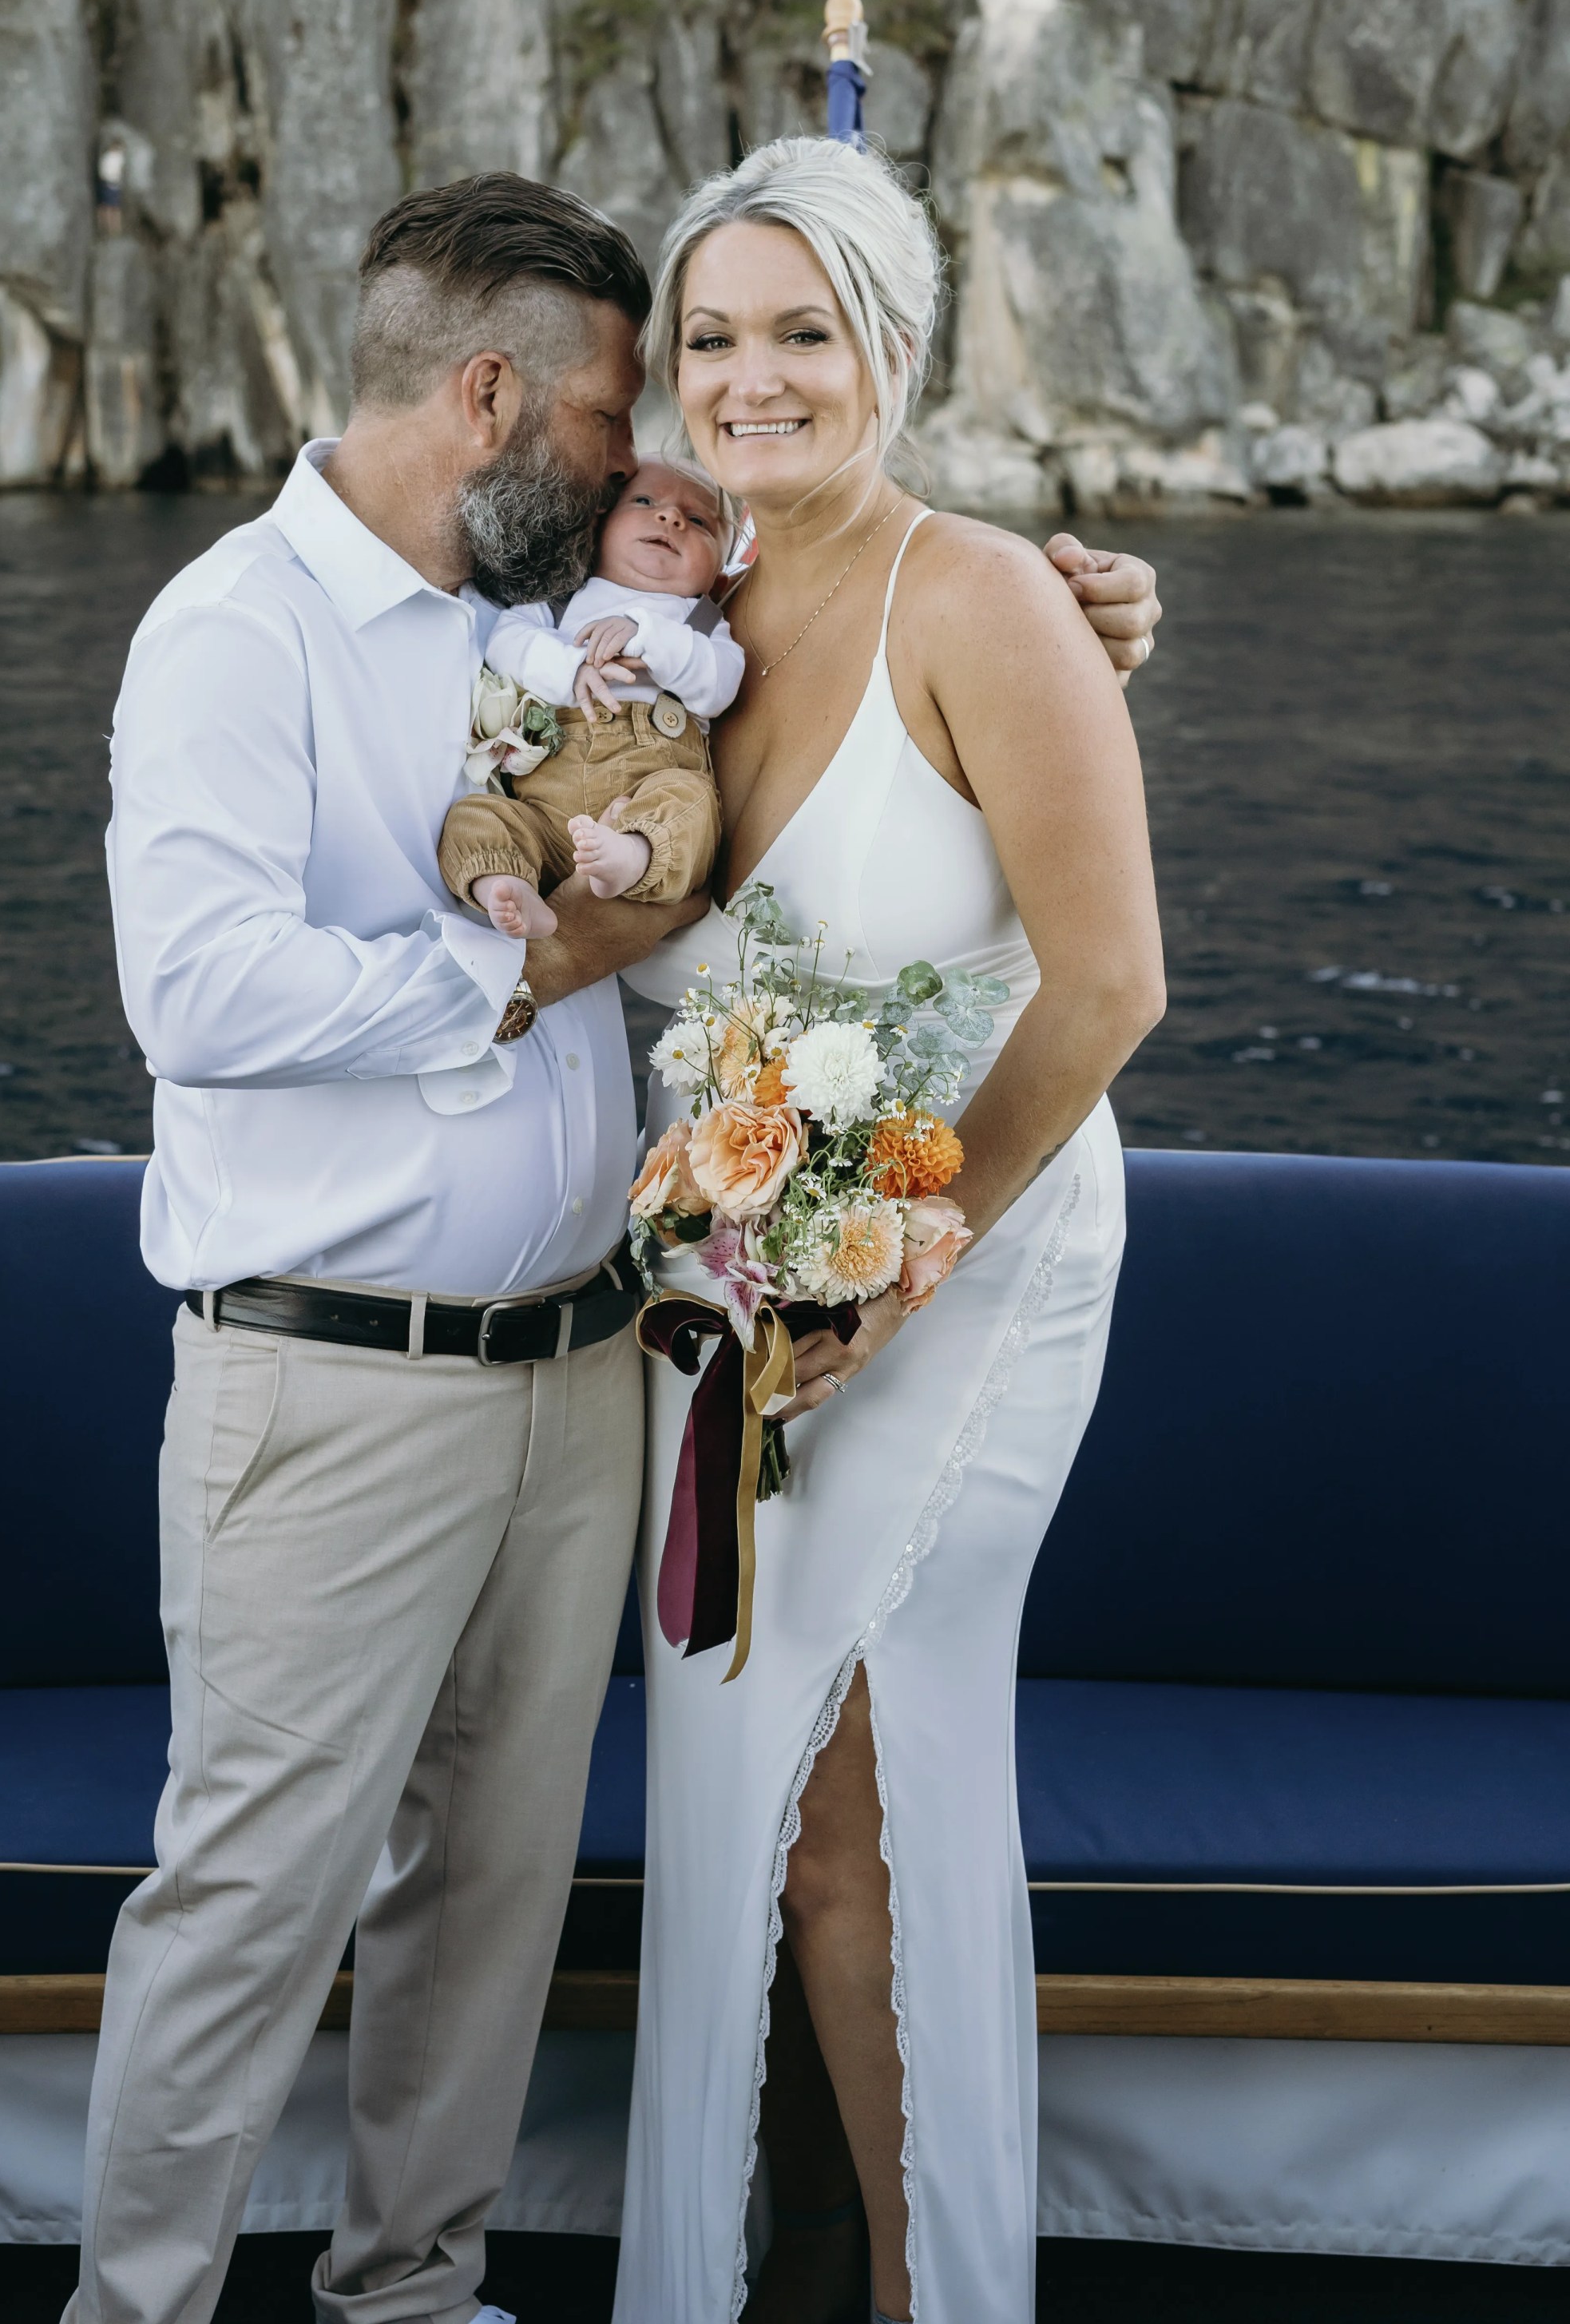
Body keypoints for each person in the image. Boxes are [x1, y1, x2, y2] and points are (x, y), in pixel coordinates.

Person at [77, 166, 1162, 2324]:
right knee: (316, 1889)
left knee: (609, 1867)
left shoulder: (650, 608)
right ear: (509, 399)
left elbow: (1045, 913)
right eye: (667, 376)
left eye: (791, 340)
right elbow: (200, 992)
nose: (690, 423)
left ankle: (505, 2291)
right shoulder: (306, 624)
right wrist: (520, 974)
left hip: (709, 1334)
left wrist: (1086, 621)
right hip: (450, 1354)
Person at [612, 138, 1164, 2324]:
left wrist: (895, 1271)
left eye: (802, 333)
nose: (751, 379)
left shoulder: (990, 598)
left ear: (895, 355)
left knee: (885, 1802)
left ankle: (946, 2287)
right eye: (712, 338)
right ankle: (795, 2259)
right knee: (778, 1798)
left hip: (971, 1279)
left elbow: (1109, 984)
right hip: (748, 1297)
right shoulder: (680, 625)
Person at [439, 456, 743, 940]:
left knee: (692, 804)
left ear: (719, 580)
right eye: (644, 501)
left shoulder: (699, 622)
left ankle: (633, 855)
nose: (670, 518)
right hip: (545, 813)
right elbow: (505, 642)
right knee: (474, 817)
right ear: (597, 531)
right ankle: (505, 883)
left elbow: (720, 685)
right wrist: (571, 668)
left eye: (700, 521)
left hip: (649, 797)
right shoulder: (562, 598)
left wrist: (647, 635)